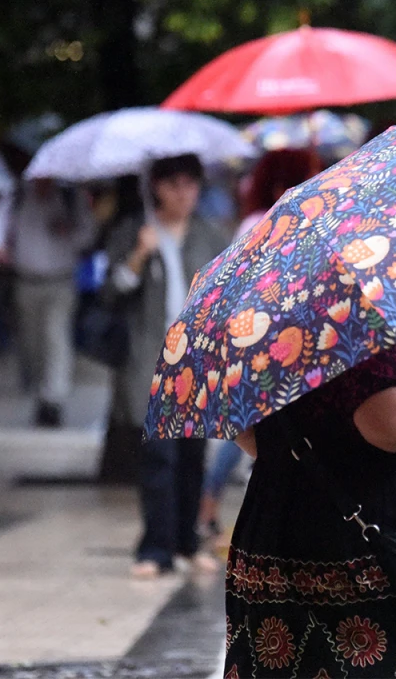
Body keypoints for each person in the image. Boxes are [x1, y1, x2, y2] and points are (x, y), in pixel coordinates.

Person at [225, 343, 396, 677]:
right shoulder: (351, 318)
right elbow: (391, 422)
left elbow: (248, 435)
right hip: (358, 529)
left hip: (272, 525)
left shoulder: (252, 330)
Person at [104, 154, 229, 578]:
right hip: (150, 361)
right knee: (159, 458)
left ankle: (187, 541)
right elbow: (112, 292)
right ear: (156, 187)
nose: (184, 194)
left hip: (196, 361)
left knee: (194, 456)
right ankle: (155, 547)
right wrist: (139, 255)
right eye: (174, 184)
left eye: (191, 185)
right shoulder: (134, 232)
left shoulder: (209, 236)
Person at [197, 148, 320, 541]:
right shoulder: (261, 223)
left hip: (279, 341)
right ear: (283, 185)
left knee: (260, 429)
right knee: (254, 428)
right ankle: (210, 501)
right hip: (264, 343)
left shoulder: (285, 220)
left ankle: (213, 502)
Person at [0, 178, 96, 427]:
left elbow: (88, 236)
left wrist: (69, 229)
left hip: (61, 281)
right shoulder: (16, 196)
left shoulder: (70, 198)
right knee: (32, 342)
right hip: (26, 281)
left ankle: (53, 399)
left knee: (56, 337)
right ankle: (39, 390)